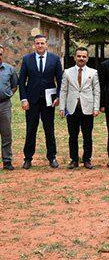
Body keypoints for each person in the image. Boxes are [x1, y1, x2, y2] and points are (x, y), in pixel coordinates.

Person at [19, 34, 63, 169]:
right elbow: (21, 81)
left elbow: (60, 80)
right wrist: (24, 99)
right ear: (34, 45)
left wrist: (58, 97)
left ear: (46, 44)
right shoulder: (27, 59)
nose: (40, 45)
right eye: (37, 43)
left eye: (42, 43)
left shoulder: (55, 59)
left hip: (49, 100)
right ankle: (27, 158)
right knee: (31, 129)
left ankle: (52, 157)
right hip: (32, 100)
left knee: (49, 129)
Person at [59, 47, 100, 169]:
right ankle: (74, 160)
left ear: (87, 58)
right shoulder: (67, 72)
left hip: (87, 108)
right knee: (73, 136)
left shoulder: (93, 72)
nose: (81, 58)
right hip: (72, 108)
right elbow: (63, 90)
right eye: (79, 56)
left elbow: (96, 91)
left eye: (84, 56)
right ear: (74, 57)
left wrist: (96, 107)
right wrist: (62, 108)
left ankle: (87, 159)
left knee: (87, 136)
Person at [0, 45, 18, 171]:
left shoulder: (9, 69)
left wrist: (8, 94)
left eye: (0, 54)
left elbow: (14, 85)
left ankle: (7, 161)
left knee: (6, 133)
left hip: (4, 105)